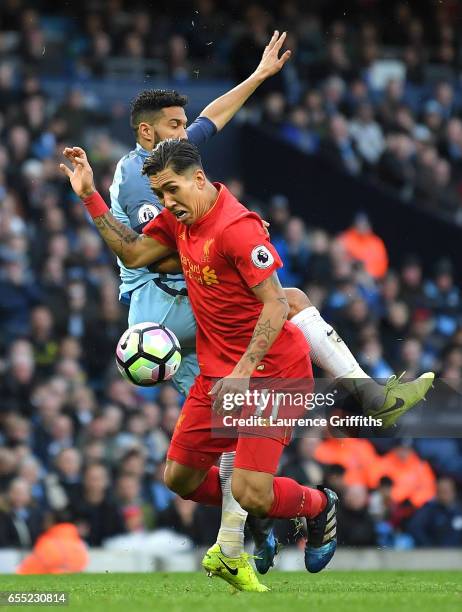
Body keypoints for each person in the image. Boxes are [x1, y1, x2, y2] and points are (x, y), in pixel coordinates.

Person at [60, 137, 435, 589]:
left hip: (272, 372)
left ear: (199, 178)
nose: (166, 202)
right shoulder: (181, 221)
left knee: (249, 489)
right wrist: (88, 194)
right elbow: (135, 253)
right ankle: (264, 510)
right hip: (220, 373)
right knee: (179, 478)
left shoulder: (237, 227)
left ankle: (318, 505)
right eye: (159, 194)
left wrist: (241, 374)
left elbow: (277, 306)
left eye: (172, 190)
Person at [109, 30, 293, 589]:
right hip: (160, 313)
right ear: (147, 132)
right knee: (287, 303)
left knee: (233, 423)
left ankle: (243, 529)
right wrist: (212, 254)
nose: (185, 132)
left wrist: (258, 77)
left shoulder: (177, 158)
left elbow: (214, 114)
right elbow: (155, 253)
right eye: (173, 125)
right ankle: (253, 516)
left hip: (199, 307)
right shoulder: (138, 176)